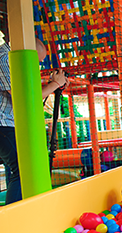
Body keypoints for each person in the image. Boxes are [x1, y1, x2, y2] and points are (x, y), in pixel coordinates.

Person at [0, 35, 69, 205]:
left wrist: (54, 84)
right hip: (4, 125)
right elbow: (23, 100)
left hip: (10, 125)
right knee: (24, 171)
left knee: (20, 170)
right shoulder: (5, 59)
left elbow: (30, 93)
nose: (38, 65)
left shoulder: (14, 61)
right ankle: (15, 222)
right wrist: (54, 85)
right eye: (38, 61)